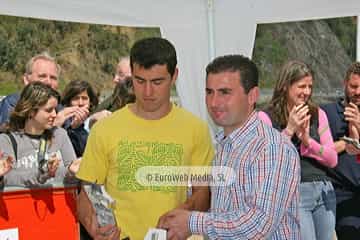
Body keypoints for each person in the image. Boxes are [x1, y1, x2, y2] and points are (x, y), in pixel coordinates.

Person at [76, 37, 214, 240]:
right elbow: (86, 192)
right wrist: (93, 225)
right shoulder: (105, 129)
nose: (148, 91)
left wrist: (182, 216)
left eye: (157, 82)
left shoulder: (196, 129)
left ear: (174, 75)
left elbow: (203, 193)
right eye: (140, 81)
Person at [158, 55, 301, 239]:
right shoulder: (224, 148)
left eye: (225, 92)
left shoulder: (271, 148)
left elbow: (258, 225)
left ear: (252, 96)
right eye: (209, 92)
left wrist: (191, 222)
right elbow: (224, 215)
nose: (214, 102)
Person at [259, 60, 337, 240]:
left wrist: (308, 141)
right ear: (285, 86)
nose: (307, 92)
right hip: (294, 193)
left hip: (324, 190)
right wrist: (289, 130)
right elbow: (266, 159)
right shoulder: (266, 117)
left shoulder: (318, 114)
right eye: (302, 86)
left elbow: (332, 159)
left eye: (310, 86)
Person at [0, 82, 79, 189]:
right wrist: (41, 175)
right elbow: (8, 178)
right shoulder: (7, 140)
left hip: (57, 203)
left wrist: (72, 171)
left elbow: (72, 179)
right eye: (49, 110)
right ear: (31, 111)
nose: (55, 114)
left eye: (55, 109)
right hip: (21, 203)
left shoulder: (60, 135)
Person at [321, 62, 360, 240]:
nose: (358, 92)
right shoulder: (327, 113)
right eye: (354, 86)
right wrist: (346, 143)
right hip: (339, 193)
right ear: (345, 83)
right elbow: (315, 151)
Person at [0, 52, 88, 129]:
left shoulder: (60, 109)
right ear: (26, 80)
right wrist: (54, 126)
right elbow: (12, 141)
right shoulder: (13, 103)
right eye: (42, 76)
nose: (48, 82)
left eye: (53, 78)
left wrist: (75, 127)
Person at [61, 80, 99, 158]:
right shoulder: (63, 122)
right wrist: (74, 129)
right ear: (69, 101)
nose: (80, 103)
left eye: (84, 98)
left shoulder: (95, 120)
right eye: (76, 98)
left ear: (90, 102)